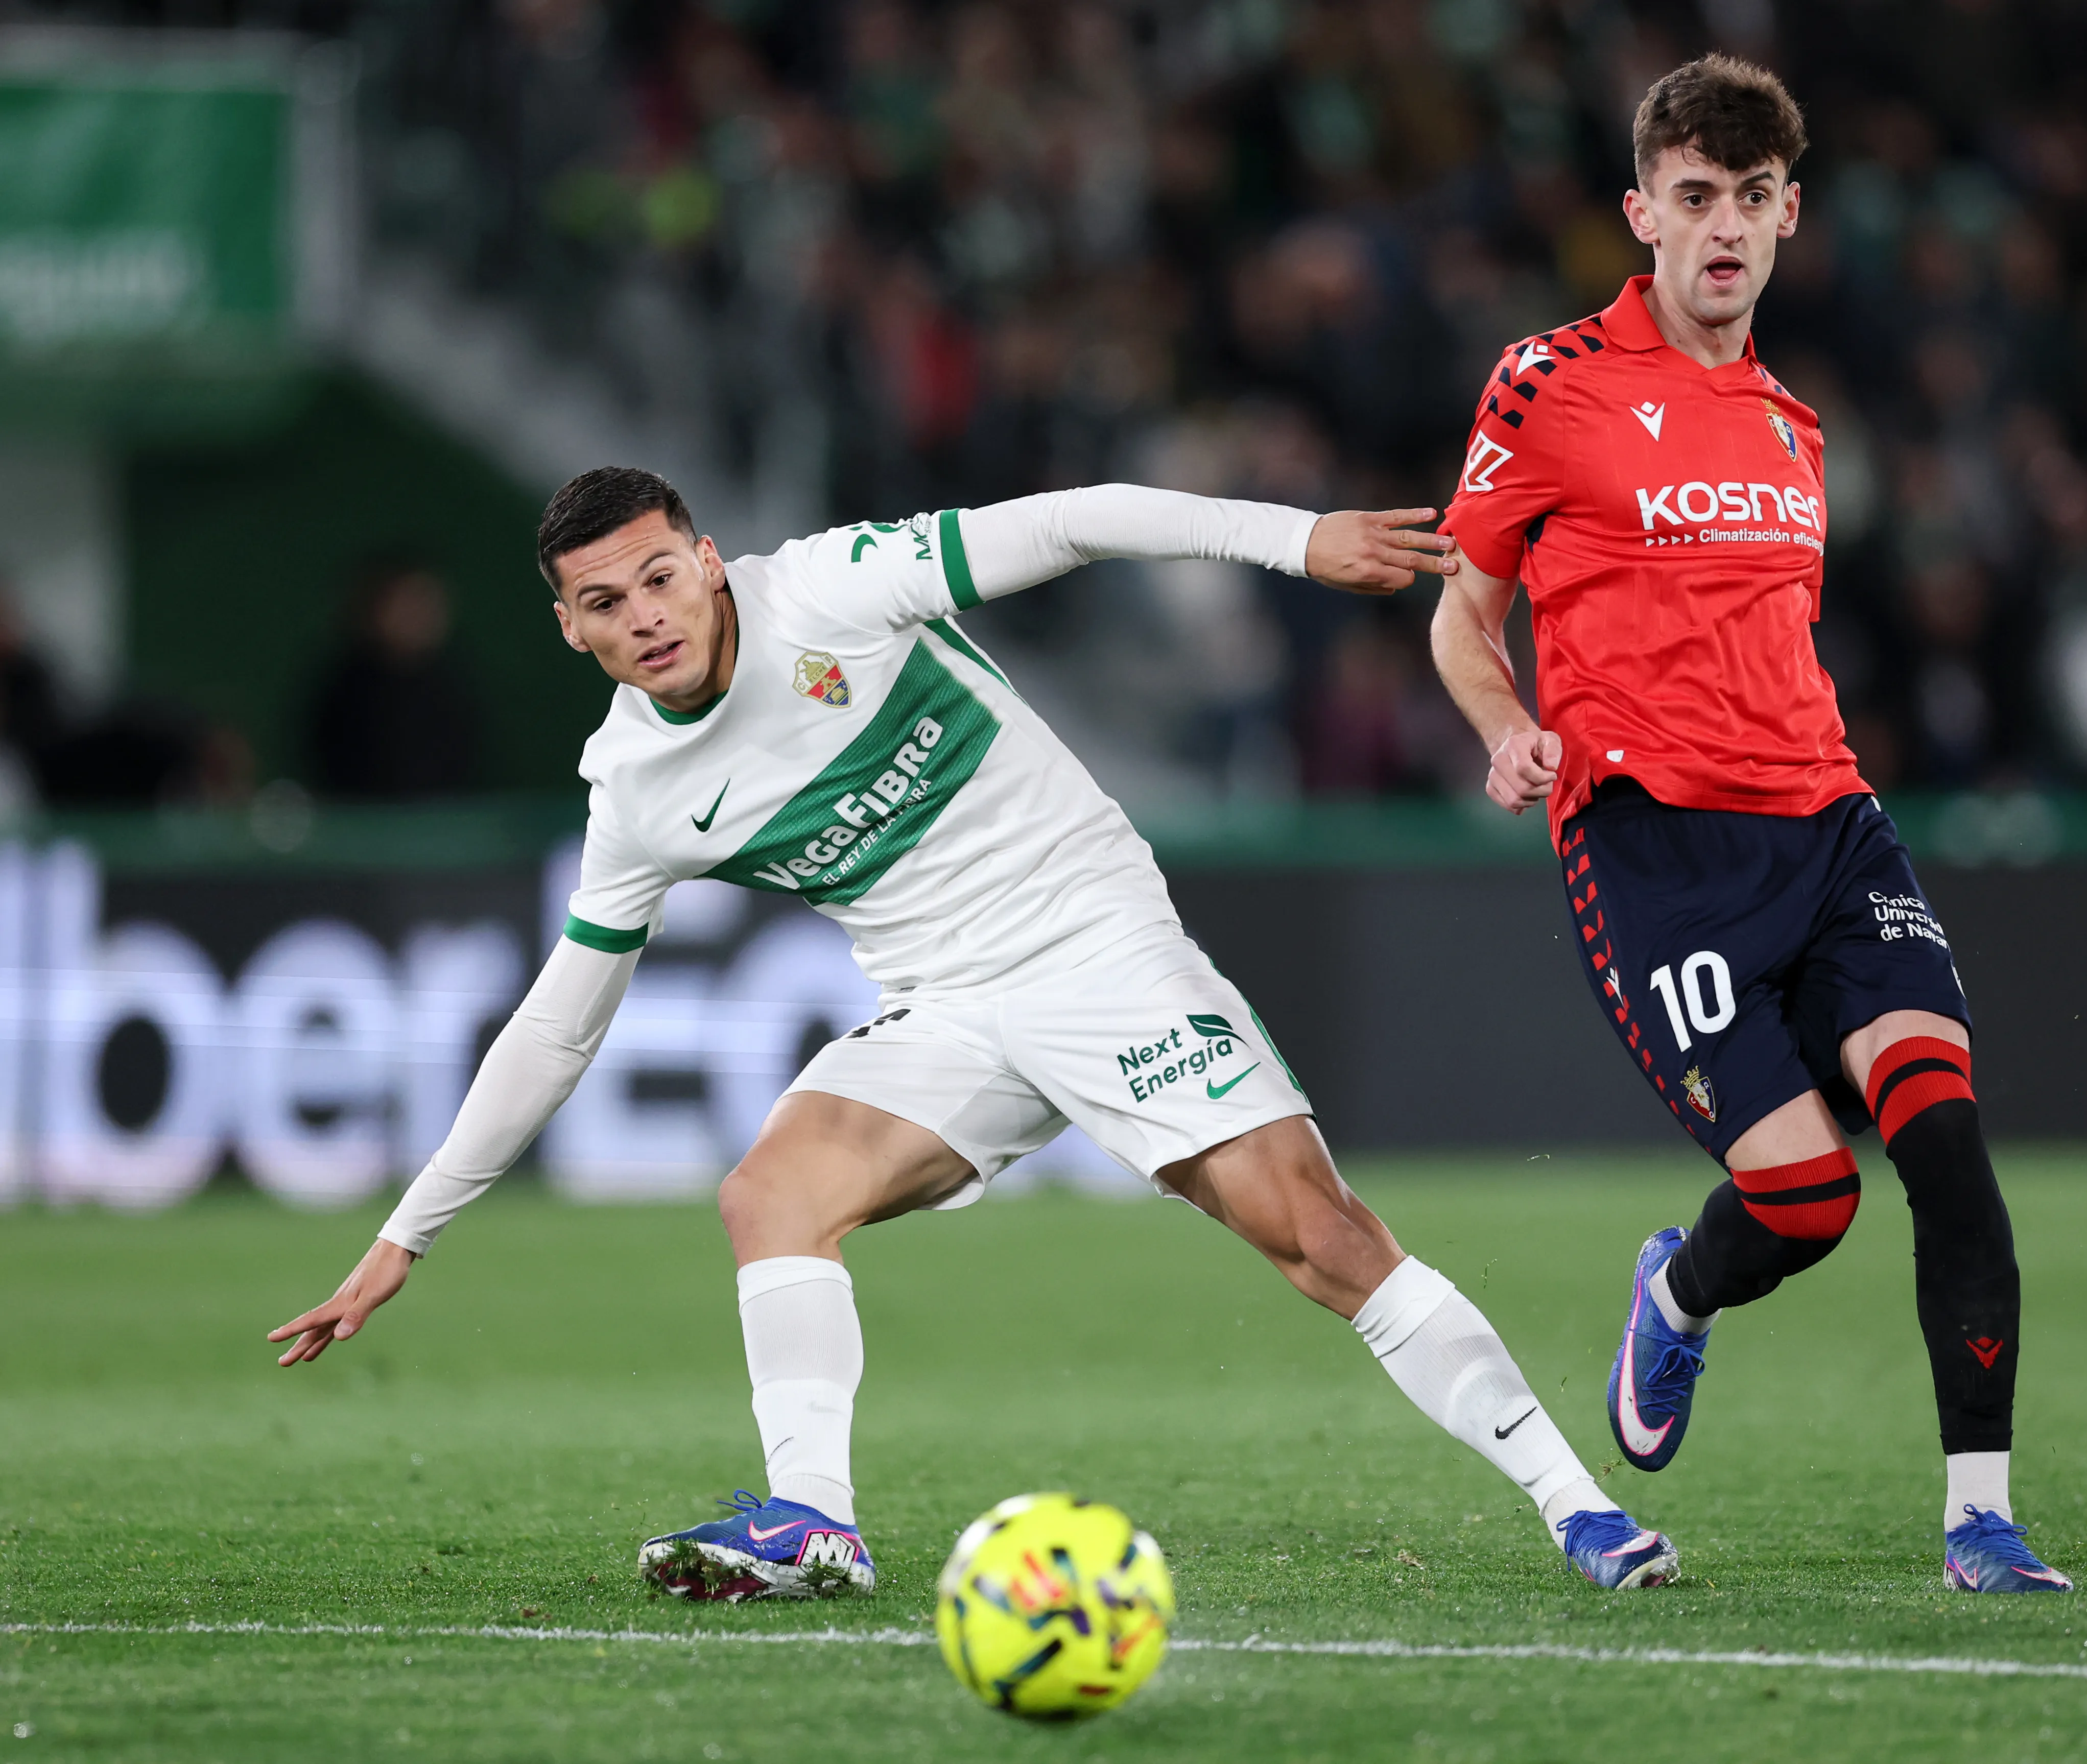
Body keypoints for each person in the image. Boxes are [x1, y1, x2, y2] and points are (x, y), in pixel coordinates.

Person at [268, 468, 1680, 1596]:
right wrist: (408, 1234)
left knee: (1320, 1239)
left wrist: (1292, 539)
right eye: (602, 601)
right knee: (771, 1193)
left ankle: (1580, 1507)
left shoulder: (830, 587)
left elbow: (1071, 521)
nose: (643, 614)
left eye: (657, 576)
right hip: (943, 1008)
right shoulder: (636, 792)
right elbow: (557, 1027)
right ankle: (814, 1520)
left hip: (1093, 943)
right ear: (569, 631)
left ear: (706, 560)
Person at [1427, 56, 2071, 1595]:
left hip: (1833, 829)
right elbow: (1462, 616)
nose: (1723, 225)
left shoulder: (1794, 426)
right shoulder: (1547, 384)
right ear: (1641, 212)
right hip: (1660, 851)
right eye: (1695, 196)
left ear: (1791, 216)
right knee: (1808, 1199)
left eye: (1752, 198)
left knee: (1947, 1141)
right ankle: (1678, 1291)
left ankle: (1980, 1518)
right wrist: (1509, 729)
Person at [305, 561, 478, 799]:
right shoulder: (345, 689)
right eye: (405, 602)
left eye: (426, 602)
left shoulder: (452, 686)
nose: (418, 615)